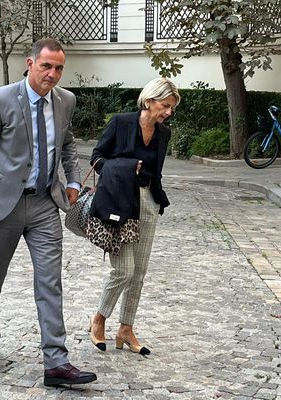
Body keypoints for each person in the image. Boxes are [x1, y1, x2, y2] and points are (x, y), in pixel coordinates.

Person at [0, 38, 97, 387]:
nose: (52, 74)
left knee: (50, 282)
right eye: (46, 66)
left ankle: (56, 361)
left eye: (58, 68)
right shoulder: (1, 99)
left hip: (44, 205)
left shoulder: (66, 101)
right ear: (30, 63)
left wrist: (71, 181)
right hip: (1, 206)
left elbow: (67, 144)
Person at [88, 77, 180, 356]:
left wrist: (158, 200)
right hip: (120, 203)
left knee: (138, 273)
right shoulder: (121, 122)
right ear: (149, 101)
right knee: (123, 270)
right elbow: (96, 158)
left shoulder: (164, 133)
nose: (168, 112)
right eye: (165, 106)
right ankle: (99, 319)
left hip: (148, 202)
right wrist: (126, 167)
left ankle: (125, 329)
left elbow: (158, 172)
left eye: (172, 108)